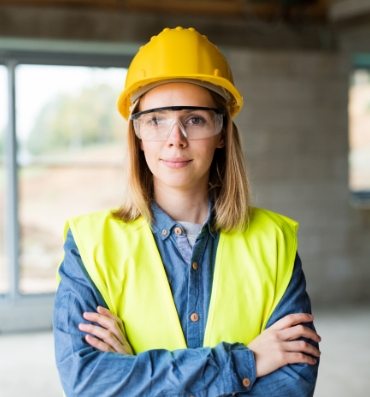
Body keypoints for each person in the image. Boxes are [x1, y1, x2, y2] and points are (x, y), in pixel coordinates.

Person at [53, 26, 321, 397]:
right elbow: (86, 383)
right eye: (156, 120)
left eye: (194, 119)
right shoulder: (89, 244)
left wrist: (136, 377)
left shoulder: (273, 241)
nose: (174, 138)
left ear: (222, 131)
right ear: (138, 135)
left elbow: (292, 384)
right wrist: (247, 363)